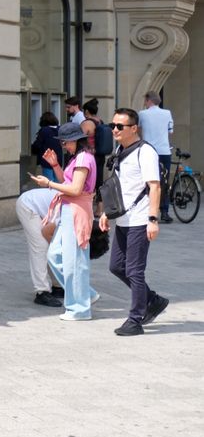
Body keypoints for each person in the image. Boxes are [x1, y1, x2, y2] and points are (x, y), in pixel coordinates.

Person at [99, 108, 169, 336]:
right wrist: (106, 213)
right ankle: (153, 300)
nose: (115, 130)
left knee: (134, 271)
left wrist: (152, 219)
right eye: (113, 126)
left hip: (140, 219)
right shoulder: (121, 149)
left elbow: (154, 186)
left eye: (120, 126)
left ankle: (135, 319)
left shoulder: (146, 152)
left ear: (134, 128)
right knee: (116, 266)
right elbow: (118, 187)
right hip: (123, 219)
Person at [31, 122, 97, 321]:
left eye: (66, 142)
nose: (64, 146)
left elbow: (75, 189)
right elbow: (67, 184)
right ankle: (85, 295)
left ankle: (80, 308)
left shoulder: (84, 158)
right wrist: (55, 166)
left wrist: (49, 183)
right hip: (70, 209)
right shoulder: (78, 157)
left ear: (77, 140)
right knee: (55, 255)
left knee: (74, 260)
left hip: (76, 210)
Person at [15, 188, 64, 307]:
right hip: (28, 205)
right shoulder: (66, 211)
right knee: (41, 247)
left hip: (40, 205)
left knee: (54, 249)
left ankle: (57, 286)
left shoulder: (79, 212)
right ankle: (42, 292)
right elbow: (47, 233)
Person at [139, 91, 174, 223]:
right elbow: (170, 131)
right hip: (164, 151)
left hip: (148, 151)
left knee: (147, 181)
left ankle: (148, 209)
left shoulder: (142, 114)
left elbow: (137, 129)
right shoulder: (167, 113)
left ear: (149, 100)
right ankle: (164, 210)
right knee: (163, 181)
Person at [81, 98, 112, 192]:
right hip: (100, 154)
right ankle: (100, 204)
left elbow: (80, 139)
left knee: (88, 182)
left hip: (90, 154)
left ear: (86, 111)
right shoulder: (100, 121)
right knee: (98, 181)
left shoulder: (87, 123)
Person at [30, 111, 63, 182]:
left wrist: (31, 149)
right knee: (57, 182)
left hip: (47, 159)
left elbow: (37, 144)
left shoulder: (44, 130)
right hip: (58, 159)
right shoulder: (60, 129)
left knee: (48, 182)